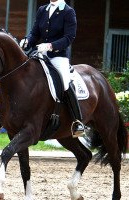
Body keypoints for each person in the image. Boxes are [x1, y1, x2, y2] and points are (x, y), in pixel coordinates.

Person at [20, 0, 87, 137]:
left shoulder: (68, 12)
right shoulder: (42, 10)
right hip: (40, 53)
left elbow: (69, 38)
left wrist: (51, 46)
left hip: (58, 56)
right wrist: (27, 41)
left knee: (65, 82)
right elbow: (35, 33)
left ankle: (77, 121)